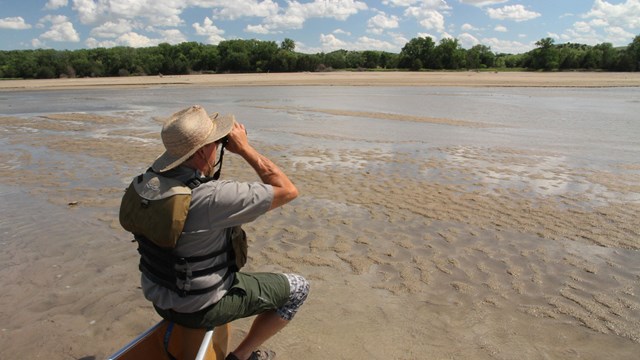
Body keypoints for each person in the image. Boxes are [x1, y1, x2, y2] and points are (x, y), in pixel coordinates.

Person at [121, 105, 309, 360]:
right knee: (299, 288)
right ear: (201, 151)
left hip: (159, 297)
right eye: (216, 143)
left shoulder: (149, 183)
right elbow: (287, 190)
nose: (220, 146)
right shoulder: (213, 198)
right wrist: (244, 149)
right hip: (200, 307)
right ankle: (241, 356)